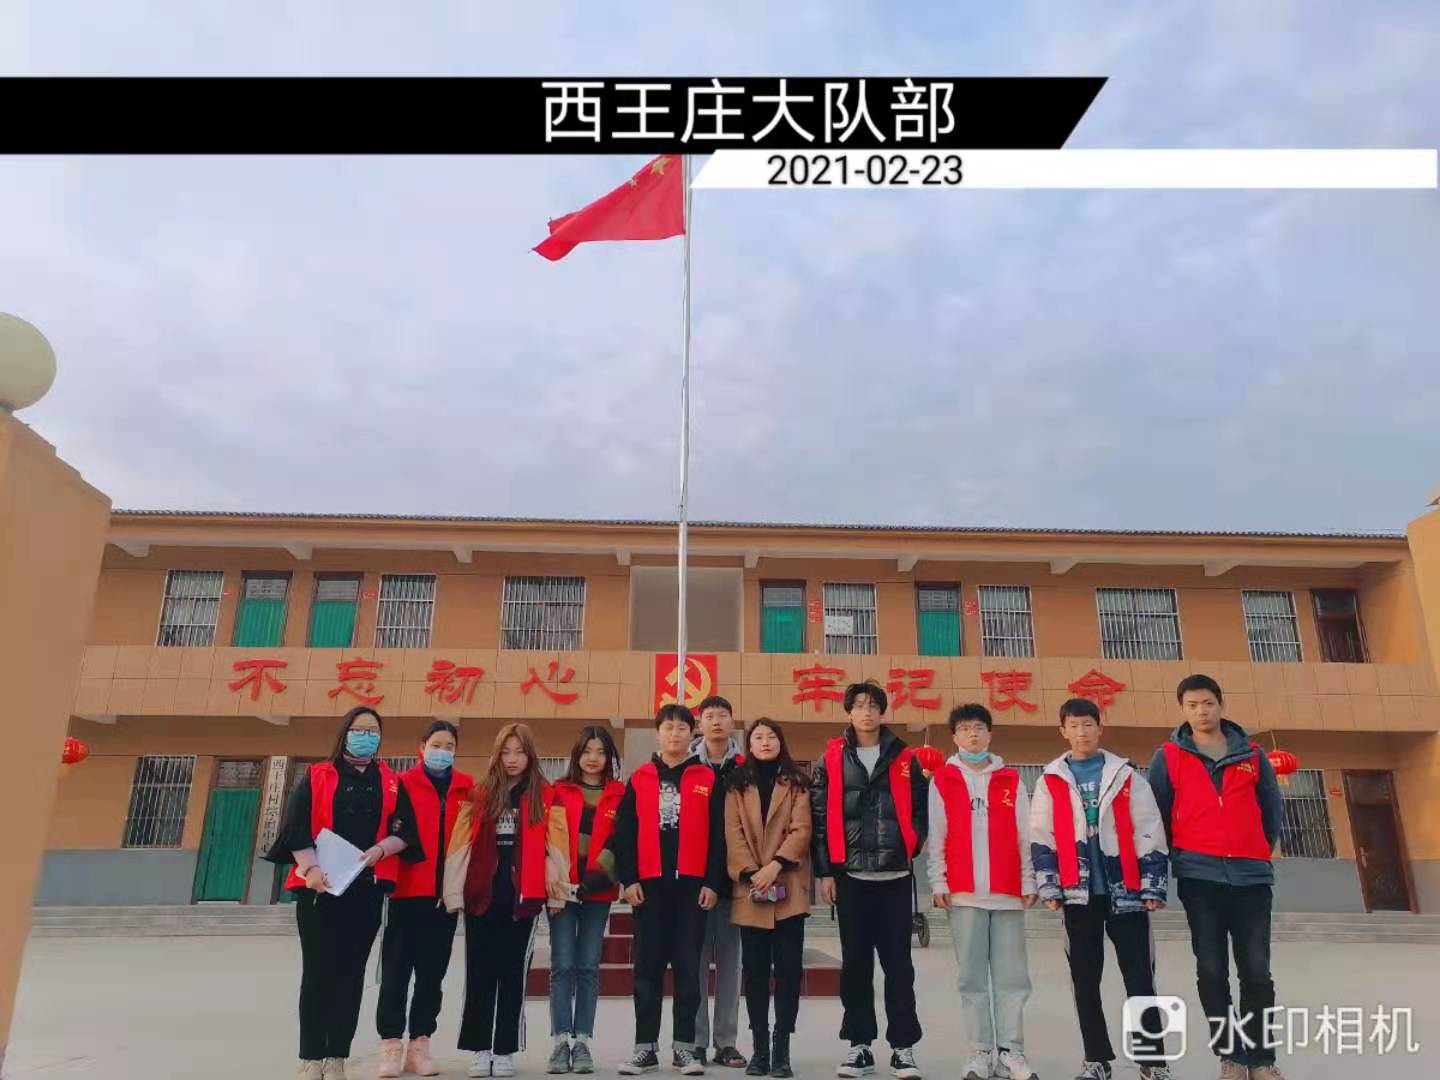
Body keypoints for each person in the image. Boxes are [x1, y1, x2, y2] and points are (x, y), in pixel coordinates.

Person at [265, 707, 422, 1080]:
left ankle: (336, 1056)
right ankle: (311, 1057)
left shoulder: (390, 781)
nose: (366, 736)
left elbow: (406, 831)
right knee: (318, 972)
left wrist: (381, 850)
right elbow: (296, 828)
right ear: (345, 732)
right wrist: (311, 869)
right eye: (359, 729)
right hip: (319, 890)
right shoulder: (317, 775)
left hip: (365, 890)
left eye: (373, 731)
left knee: (351, 975)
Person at [1147, 675, 1286, 1080]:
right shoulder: (1169, 756)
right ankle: (1231, 1056)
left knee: (1256, 969)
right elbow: (1156, 815)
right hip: (1200, 877)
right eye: (1192, 705)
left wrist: (1255, 849)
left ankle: (1262, 1059)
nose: (1201, 712)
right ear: (1183, 709)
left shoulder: (1252, 754)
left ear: (1221, 704)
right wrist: (1179, 857)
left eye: (1207, 703)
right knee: (1211, 968)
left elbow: (1271, 811)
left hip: (1251, 878)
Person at [1029, 698, 1173, 1080]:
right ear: (1063, 731)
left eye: (1088, 724)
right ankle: (1096, 1059)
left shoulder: (1126, 777)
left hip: (1127, 892)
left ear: (1100, 728)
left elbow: (1149, 829)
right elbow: (1041, 836)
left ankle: (1153, 1061)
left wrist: (1152, 885)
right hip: (1078, 896)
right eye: (1074, 725)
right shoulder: (1050, 780)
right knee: (1084, 981)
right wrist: (1049, 886)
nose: (1082, 732)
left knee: (1140, 979)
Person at [810, 681, 928, 1080]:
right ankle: (859, 1046)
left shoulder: (904, 758)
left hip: (894, 876)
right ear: (849, 712)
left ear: (882, 712)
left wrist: (910, 843)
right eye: (859, 705)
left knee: (899, 967)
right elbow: (820, 818)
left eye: (873, 705)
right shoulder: (831, 758)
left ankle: (903, 1049)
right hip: (851, 877)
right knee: (856, 965)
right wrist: (825, 872)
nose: (866, 711)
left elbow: (921, 808)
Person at [606, 704, 727, 1076]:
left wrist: (712, 883)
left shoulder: (707, 777)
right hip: (650, 890)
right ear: (658, 733)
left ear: (692, 734)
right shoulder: (640, 778)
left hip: (692, 890)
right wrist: (629, 880)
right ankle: (644, 1049)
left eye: (681, 728)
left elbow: (719, 838)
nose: (675, 734)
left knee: (689, 970)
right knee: (647, 970)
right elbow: (623, 834)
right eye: (668, 727)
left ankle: (685, 1050)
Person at [443, 723, 569, 1079]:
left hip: (522, 900)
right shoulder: (480, 793)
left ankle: (505, 1049)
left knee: (513, 976)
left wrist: (557, 889)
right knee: (479, 973)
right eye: (506, 752)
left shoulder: (546, 794)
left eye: (519, 752)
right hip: (481, 896)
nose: (512, 759)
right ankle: (479, 1048)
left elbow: (557, 846)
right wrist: (453, 892)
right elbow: (460, 843)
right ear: (497, 756)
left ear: (530, 756)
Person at [926, 704, 1037, 1080]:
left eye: (978, 727)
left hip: (1007, 892)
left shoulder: (1010, 779)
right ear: (954, 736)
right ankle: (979, 1050)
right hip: (964, 893)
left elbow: (1025, 834)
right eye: (964, 728)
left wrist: (1028, 879)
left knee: (1012, 978)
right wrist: (938, 880)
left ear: (990, 733)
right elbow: (937, 834)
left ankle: (1011, 1051)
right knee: (971, 979)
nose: (972, 734)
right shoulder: (943, 779)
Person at [376, 721, 475, 1078]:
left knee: (432, 976)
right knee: (396, 973)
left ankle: (420, 1044)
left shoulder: (467, 787)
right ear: (422, 747)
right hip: (406, 893)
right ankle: (390, 1045)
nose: (442, 751)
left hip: (444, 898)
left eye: (449, 746)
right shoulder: (401, 784)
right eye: (436, 744)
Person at [724, 717, 812, 1079]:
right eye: (758, 737)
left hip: (788, 887)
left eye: (771, 736)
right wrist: (752, 873)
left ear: (781, 742)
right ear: (748, 744)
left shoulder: (797, 782)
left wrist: (774, 866)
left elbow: (801, 829)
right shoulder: (736, 784)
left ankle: (782, 1048)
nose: (765, 742)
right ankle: (760, 1049)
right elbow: (733, 833)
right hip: (750, 891)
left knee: (789, 971)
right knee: (755, 974)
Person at [546, 725, 626, 1075]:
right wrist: (552, 872)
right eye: (587, 751)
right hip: (561, 890)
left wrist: (600, 875)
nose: (593, 758)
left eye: (601, 752)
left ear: (610, 757)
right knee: (562, 964)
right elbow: (545, 837)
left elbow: (624, 839)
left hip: (598, 891)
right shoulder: (557, 791)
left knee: (589, 966)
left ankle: (582, 1042)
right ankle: (560, 1041)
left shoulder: (620, 794)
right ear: (577, 754)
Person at [688, 696, 748, 1069]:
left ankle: (726, 1041)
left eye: (722, 715)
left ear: (731, 722)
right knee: (694, 964)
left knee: (730, 964)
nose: (715, 722)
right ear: (699, 723)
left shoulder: (744, 767)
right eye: (709, 716)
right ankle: (695, 1041)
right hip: (693, 881)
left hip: (734, 882)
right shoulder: (687, 766)